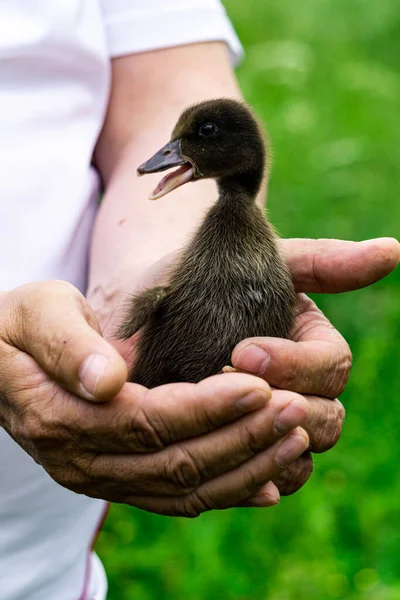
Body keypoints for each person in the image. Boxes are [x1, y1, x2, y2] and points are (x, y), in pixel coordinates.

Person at [0, 1, 398, 599]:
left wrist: (136, 281)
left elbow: (166, 73)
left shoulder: (227, 228)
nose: (170, 155)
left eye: (196, 141)